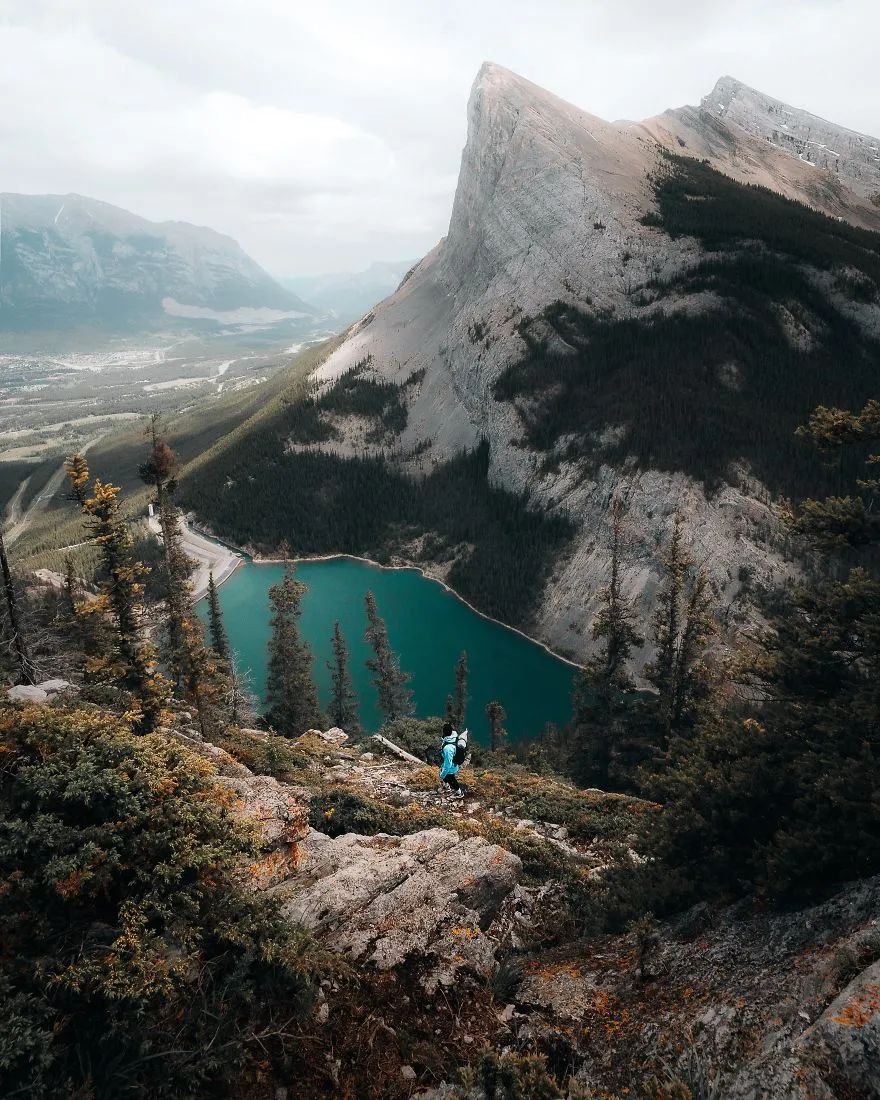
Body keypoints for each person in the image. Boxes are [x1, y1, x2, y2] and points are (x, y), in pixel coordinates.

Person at [439, 721, 465, 798]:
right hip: (454, 763)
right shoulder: (454, 737)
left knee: (451, 780)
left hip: (451, 767)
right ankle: (447, 788)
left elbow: (448, 765)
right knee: (446, 776)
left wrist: (442, 775)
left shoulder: (448, 748)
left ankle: (459, 793)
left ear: (444, 732)